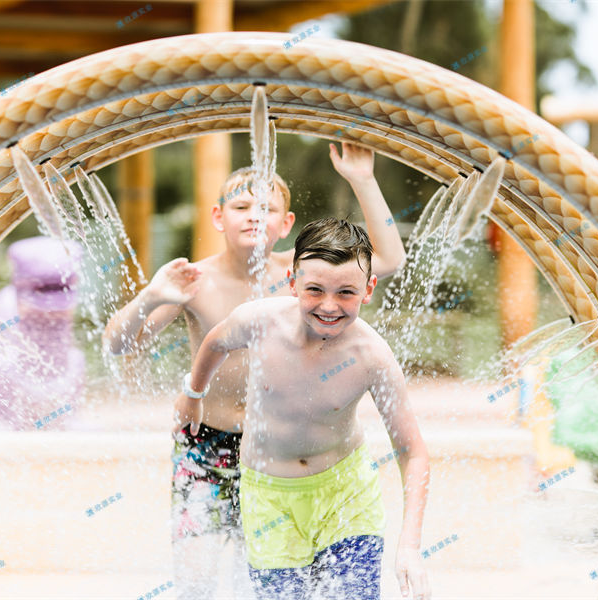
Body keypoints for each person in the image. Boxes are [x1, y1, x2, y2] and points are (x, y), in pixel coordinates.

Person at [102, 143, 407, 599]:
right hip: (207, 445)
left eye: (267, 209)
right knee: (196, 579)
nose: (253, 216)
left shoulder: (305, 278)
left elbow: (390, 259)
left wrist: (362, 179)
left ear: (286, 224)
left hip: (277, 452)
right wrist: (151, 296)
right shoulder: (195, 281)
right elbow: (119, 344)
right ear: (218, 216)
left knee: (263, 576)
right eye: (241, 206)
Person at [173, 218, 431, 600]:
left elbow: (412, 451)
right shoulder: (257, 322)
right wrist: (193, 393)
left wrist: (409, 546)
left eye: (346, 292)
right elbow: (215, 342)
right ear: (292, 283)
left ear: (368, 289)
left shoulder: (372, 357)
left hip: (346, 495)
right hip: (269, 497)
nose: (329, 306)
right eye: (315, 290)